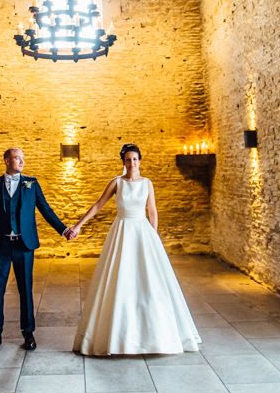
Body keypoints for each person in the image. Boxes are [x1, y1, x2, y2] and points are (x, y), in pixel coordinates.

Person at [66, 143, 201, 355]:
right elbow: (98, 205)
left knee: (149, 281)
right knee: (120, 279)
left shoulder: (147, 183)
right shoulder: (117, 183)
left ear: (140, 161)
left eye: (135, 159)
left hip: (142, 232)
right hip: (121, 231)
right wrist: (78, 225)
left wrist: (153, 237)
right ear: (123, 162)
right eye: (128, 160)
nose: (132, 163)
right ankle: (117, 338)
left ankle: (155, 337)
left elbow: (152, 211)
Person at [0, 147, 71, 352]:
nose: (21, 161)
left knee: (25, 290)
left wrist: (63, 229)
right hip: (0, 245)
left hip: (24, 245)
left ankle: (28, 334)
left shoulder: (32, 183)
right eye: (16, 158)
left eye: (23, 158)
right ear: (6, 160)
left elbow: (46, 209)